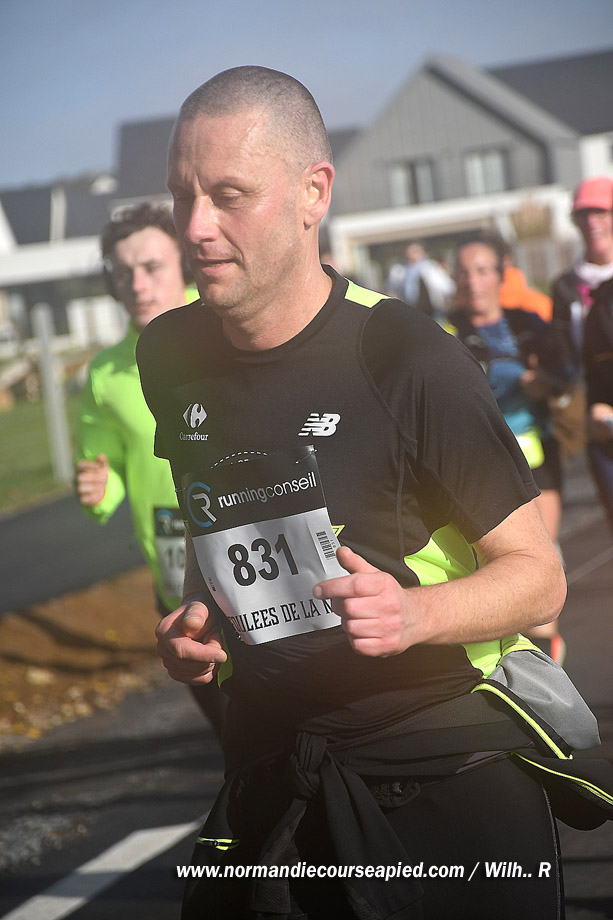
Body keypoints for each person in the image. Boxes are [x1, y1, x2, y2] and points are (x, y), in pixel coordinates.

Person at [136, 67, 612, 920]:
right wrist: (196, 625)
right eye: (182, 195)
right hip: (272, 762)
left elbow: (538, 579)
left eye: (229, 195)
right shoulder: (168, 354)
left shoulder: (406, 355)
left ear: (313, 193)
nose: (196, 226)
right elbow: (218, 519)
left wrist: (415, 613)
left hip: (438, 762)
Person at [75, 203, 226, 738]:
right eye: (123, 273)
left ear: (183, 264)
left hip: (253, 552)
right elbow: (109, 465)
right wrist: (100, 488)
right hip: (176, 574)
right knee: (230, 735)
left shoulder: (227, 331)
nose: (137, 285)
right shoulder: (105, 373)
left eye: (151, 267)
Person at [448, 232, 575, 665]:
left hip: (536, 455)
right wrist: (514, 378)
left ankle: (545, 659)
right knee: (491, 565)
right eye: (463, 273)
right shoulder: (441, 331)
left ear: (501, 276)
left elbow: (566, 372)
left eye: (482, 270)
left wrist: (548, 383)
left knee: (539, 555)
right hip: (475, 462)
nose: (473, 282)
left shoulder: (529, 324)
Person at [552, 175, 613, 534]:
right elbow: (564, 357)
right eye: (583, 214)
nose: (592, 222)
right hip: (598, 421)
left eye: (601, 211)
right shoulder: (565, 286)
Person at [385, 241, 455, 321]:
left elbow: (446, 287)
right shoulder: (399, 270)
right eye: (410, 252)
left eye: (415, 251)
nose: (412, 255)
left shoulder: (431, 268)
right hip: (410, 312)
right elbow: (391, 290)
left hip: (432, 311)